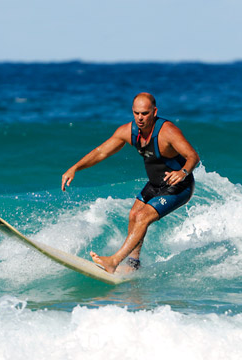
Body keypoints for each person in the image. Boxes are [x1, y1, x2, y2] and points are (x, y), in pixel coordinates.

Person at [61, 93, 200, 274]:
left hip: (179, 185)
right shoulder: (128, 132)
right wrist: (75, 168)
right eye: (136, 113)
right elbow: (102, 152)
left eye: (144, 113)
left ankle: (114, 261)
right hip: (155, 183)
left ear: (154, 111)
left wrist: (182, 172)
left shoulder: (167, 131)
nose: (140, 118)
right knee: (134, 214)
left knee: (143, 217)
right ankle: (133, 264)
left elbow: (193, 156)